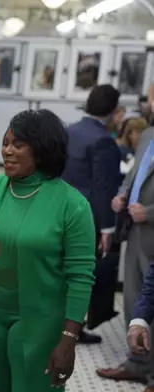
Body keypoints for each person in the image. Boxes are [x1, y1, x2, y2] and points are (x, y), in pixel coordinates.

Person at [0, 109, 96, 391]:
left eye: (17, 145)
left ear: (42, 151)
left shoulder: (72, 205)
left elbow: (80, 276)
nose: (7, 150)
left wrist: (69, 338)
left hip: (40, 322)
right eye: (5, 143)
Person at [60, 84, 123, 342]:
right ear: (112, 110)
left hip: (62, 209)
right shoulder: (104, 141)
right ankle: (74, 328)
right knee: (82, 274)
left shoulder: (67, 132)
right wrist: (108, 229)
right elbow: (103, 188)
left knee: (62, 269)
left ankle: (57, 323)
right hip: (88, 217)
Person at [96, 124, 154, 390]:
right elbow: (134, 173)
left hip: (150, 224)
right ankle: (138, 363)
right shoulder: (148, 135)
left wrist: (151, 212)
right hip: (135, 229)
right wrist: (122, 193)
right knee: (135, 298)